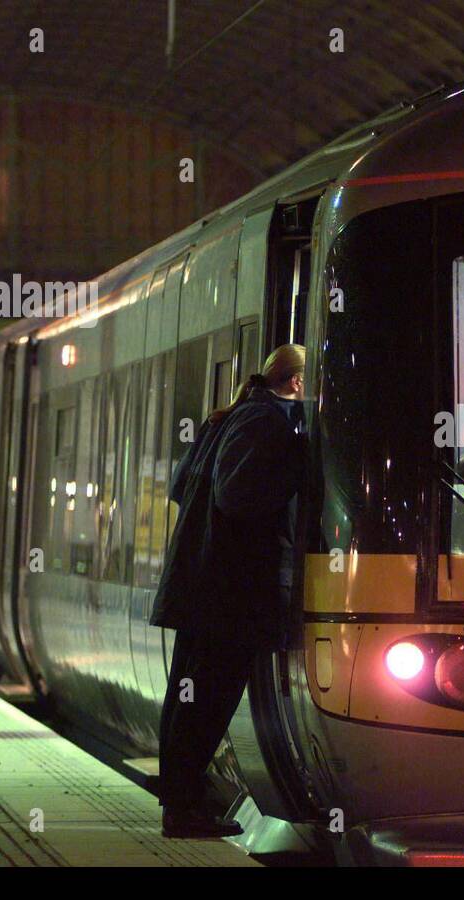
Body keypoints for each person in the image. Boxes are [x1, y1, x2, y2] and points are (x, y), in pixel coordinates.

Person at [151, 343, 307, 838]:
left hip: (201, 585)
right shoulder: (270, 423)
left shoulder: (229, 416)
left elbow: (180, 488)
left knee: (187, 698)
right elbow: (239, 496)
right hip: (231, 592)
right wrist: (299, 469)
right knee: (206, 703)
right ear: (298, 383)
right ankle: (184, 812)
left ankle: (180, 805)